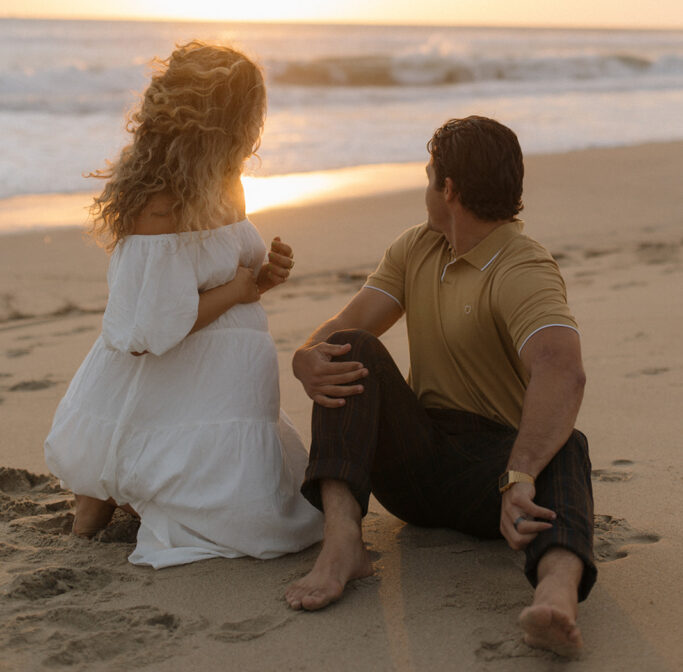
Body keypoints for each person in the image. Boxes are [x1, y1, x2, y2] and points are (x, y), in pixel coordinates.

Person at [285, 116, 594, 658]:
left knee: (568, 446)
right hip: (415, 462)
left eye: (429, 175)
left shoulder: (523, 266)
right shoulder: (416, 248)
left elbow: (561, 370)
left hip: (494, 482)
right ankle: (342, 542)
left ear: (448, 189)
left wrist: (519, 474)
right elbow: (339, 329)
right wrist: (304, 359)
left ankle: (555, 594)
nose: (425, 185)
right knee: (351, 348)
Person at [45, 40, 323, 568]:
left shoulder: (230, 181)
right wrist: (239, 291)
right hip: (163, 375)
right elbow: (148, 332)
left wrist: (263, 279)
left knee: (261, 515)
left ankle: (134, 494)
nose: (255, 129)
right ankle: (97, 510)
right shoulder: (158, 204)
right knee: (131, 470)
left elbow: (227, 278)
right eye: (250, 115)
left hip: (224, 384)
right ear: (225, 121)